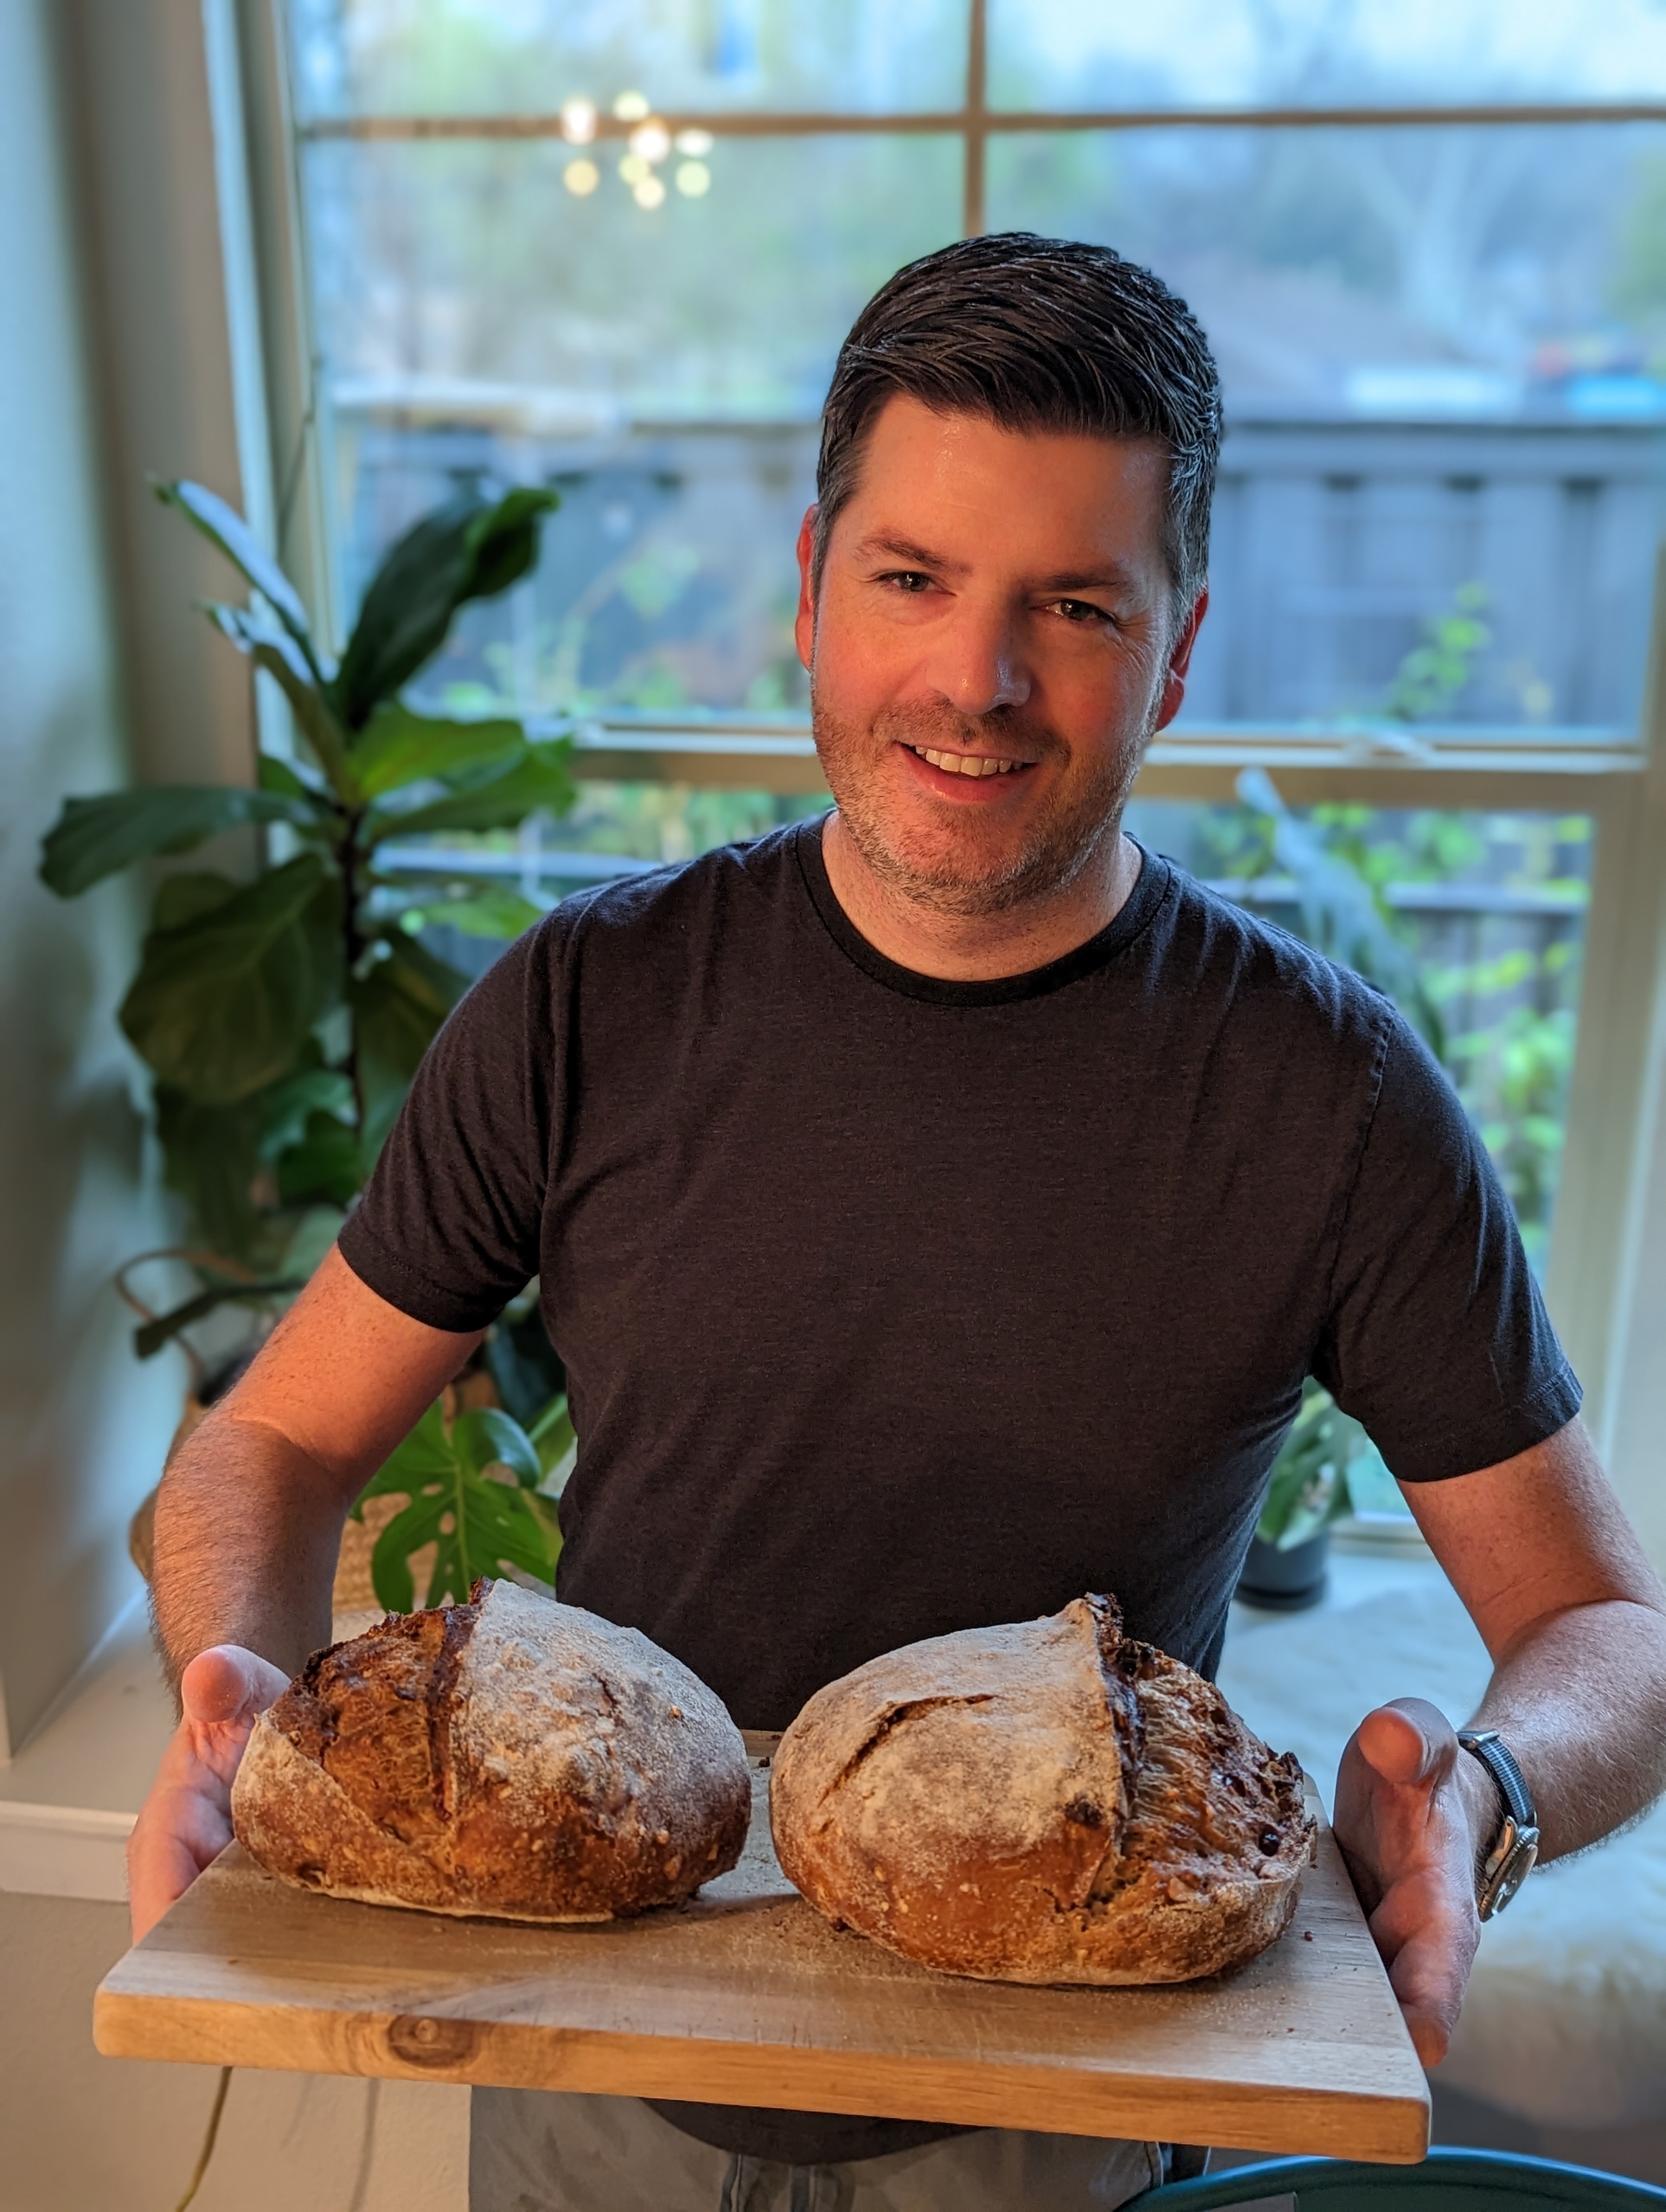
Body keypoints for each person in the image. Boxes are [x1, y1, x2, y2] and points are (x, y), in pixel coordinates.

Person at [130, 234, 1666, 2212]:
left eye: (1078, 605)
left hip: (1057, 2117)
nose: (977, 680)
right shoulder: (592, 1003)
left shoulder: (1329, 1099)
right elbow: (270, 1440)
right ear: (810, 587)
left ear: (1179, 649)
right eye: (913, 580)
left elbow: (1606, 1625)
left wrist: (1490, 1789)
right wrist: (231, 1688)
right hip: (597, 2063)